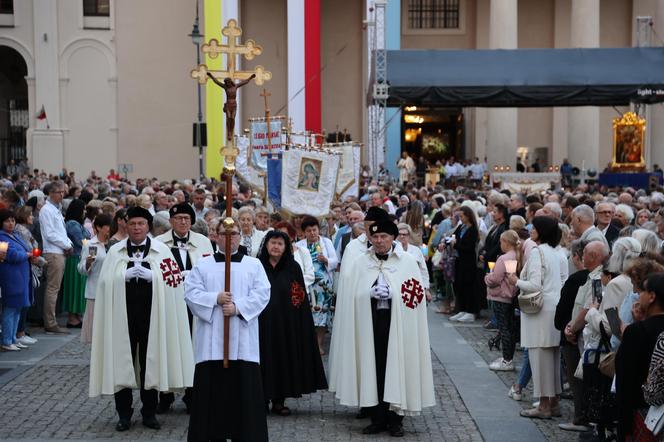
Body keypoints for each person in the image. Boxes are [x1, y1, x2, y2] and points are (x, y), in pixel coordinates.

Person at [89, 207, 194, 432]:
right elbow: (104, 283)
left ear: (148, 227)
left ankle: (149, 412)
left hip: (152, 317)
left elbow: (174, 283)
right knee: (121, 362)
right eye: (133, 224)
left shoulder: (162, 251)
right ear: (125, 225)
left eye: (141, 224)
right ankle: (124, 414)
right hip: (122, 316)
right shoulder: (115, 252)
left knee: (151, 362)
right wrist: (121, 276)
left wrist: (154, 276)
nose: (137, 228)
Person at [328, 219, 435, 437]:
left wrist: (396, 294)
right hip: (370, 322)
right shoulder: (360, 262)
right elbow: (350, 294)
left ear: (393, 238)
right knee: (373, 366)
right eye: (375, 237)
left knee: (396, 366)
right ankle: (376, 417)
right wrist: (367, 294)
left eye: (383, 237)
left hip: (397, 323)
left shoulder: (407, 262)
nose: (379, 241)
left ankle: (395, 419)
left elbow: (415, 298)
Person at [184, 218, 271, 442]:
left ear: (240, 237)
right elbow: (191, 294)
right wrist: (215, 298)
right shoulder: (203, 265)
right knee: (211, 396)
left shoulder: (254, 265)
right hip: (212, 344)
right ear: (216, 236)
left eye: (233, 235)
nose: (228, 239)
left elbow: (262, 294)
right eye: (224, 234)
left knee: (245, 396)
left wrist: (238, 308)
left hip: (243, 341)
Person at [257, 230, 328, 416]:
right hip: (260, 323)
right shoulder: (257, 265)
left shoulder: (293, 267)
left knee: (282, 359)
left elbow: (299, 296)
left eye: (280, 244)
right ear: (266, 245)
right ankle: (261, 399)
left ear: (286, 247)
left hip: (286, 323)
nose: (276, 247)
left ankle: (279, 401)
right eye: (273, 243)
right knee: (262, 359)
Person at [154, 202, 213, 413]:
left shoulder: (203, 242)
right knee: (169, 344)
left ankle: (192, 393)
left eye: (187, 218)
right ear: (171, 221)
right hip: (170, 302)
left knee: (194, 345)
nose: (183, 222)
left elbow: (210, 269)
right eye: (178, 218)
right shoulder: (159, 243)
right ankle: (166, 393)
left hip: (194, 304)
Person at [508, 216, 568, 419]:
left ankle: (543, 405)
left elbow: (534, 285)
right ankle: (554, 401)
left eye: (534, 226)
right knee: (553, 357)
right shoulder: (558, 252)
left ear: (541, 231)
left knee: (540, 357)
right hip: (555, 308)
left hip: (540, 311)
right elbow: (563, 281)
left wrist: (516, 281)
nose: (530, 229)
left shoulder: (537, 252)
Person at [616, 273, 664, 441]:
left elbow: (625, 378)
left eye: (643, 290)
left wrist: (623, 426)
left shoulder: (636, 332)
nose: (638, 295)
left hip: (640, 409)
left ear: (652, 297)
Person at [295, 216, 338, 354]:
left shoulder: (326, 242)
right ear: (304, 232)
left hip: (323, 283)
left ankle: (319, 343)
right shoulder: (300, 245)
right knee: (309, 312)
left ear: (319, 229)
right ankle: (309, 343)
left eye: (314, 230)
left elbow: (335, 261)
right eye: (309, 231)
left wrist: (326, 260)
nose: (312, 233)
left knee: (323, 313)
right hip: (307, 283)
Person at [484, 230, 521, 372]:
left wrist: (487, 277)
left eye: (501, 242)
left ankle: (507, 359)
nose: (500, 244)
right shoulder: (516, 255)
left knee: (504, 328)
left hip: (501, 296)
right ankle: (508, 358)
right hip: (510, 295)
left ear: (506, 242)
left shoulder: (504, 258)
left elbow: (495, 279)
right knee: (508, 328)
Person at [0, 209, 37, 351]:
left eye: (12, 220)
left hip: (21, 275)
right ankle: (6, 340)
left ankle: (13, 338)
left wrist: (28, 254)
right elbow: (12, 255)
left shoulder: (14, 235)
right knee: (10, 308)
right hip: (11, 276)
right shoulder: (2, 237)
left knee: (18, 308)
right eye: (7, 221)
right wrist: (27, 254)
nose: (10, 223)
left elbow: (27, 248)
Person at [40, 181, 73, 334]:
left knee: (55, 288)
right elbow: (50, 234)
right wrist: (66, 245)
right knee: (52, 288)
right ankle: (50, 323)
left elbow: (61, 232)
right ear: (51, 193)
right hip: (53, 252)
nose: (62, 195)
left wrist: (68, 243)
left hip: (59, 250)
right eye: (59, 192)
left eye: (63, 192)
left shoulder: (56, 209)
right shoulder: (46, 210)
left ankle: (51, 321)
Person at [77, 214, 112, 343]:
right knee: (96, 331)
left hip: (112, 290)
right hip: (96, 291)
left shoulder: (114, 244)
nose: (110, 229)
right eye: (107, 226)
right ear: (98, 227)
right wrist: (88, 264)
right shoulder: (92, 245)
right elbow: (81, 269)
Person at [448, 205, 480, 323]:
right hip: (460, 260)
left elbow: (469, 247)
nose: (460, 218)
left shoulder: (473, 230)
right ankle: (462, 309)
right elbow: (453, 237)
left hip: (468, 262)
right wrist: (447, 242)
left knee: (468, 285)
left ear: (468, 216)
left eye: (462, 216)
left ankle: (470, 311)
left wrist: (455, 245)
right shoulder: (461, 227)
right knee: (460, 285)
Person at [63, 199, 91, 328]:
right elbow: (81, 241)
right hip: (75, 259)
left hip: (80, 257)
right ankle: (72, 317)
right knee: (75, 288)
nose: (85, 211)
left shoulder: (78, 224)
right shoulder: (72, 224)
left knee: (79, 288)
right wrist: (90, 244)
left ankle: (77, 315)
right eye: (83, 209)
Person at [396, 223, 431, 301]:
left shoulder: (416, 251)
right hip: (397, 287)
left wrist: (426, 289)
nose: (402, 236)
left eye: (404, 234)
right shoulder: (392, 251)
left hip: (414, 287)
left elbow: (423, 270)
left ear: (408, 236)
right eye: (399, 234)